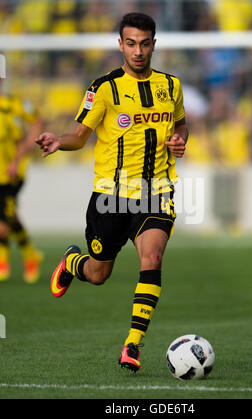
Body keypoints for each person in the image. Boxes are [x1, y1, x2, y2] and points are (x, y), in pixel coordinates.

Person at [36, 12, 188, 372]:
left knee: (152, 257)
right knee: (98, 273)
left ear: (154, 44)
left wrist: (181, 139)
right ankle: (73, 262)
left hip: (157, 190)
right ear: (121, 44)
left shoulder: (172, 85)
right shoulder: (103, 87)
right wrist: (59, 141)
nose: (138, 51)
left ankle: (132, 345)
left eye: (145, 43)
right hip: (111, 196)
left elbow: (181, 121)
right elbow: (79, 134)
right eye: (131, 43)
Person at [0, 77, 43, 283]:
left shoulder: (11, 105)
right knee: (8, 217)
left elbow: (37, 121)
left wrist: (21, 155)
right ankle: (28, 255)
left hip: (11, 172)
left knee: (4, 219)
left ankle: (9, 261)